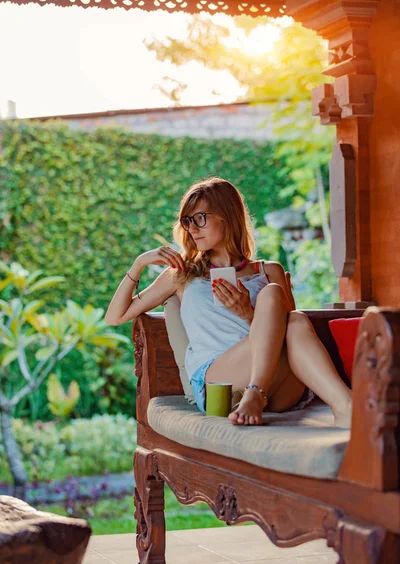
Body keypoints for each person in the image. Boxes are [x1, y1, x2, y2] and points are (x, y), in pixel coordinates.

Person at [105, 177, 352, 428]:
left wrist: (247, 313)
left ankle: (345, 408)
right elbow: (115, 316)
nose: (193, 229)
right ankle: (264, 395)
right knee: (282, 305)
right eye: (187, 221)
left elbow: (288, 337)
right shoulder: (181, 274)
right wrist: (140, 262)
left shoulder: (269, 271)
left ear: (227, 216)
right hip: (222, 384)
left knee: (287, 309)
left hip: (278, 386)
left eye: (200, 218)